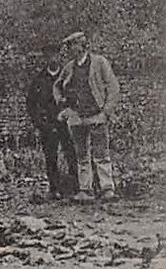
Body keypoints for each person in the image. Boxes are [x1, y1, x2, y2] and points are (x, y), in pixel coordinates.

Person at [55, 31, 121, 203]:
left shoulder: (99, 62)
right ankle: (86, 190)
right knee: (82, 156)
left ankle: (107, 189)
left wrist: (107, 111)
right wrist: (64, 105)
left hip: (97, 115)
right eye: (69, 46)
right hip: (77, 117)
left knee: (101, 154)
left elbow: (113, 87)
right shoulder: (69, 67)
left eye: (73, 45)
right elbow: (58, 87)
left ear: (82, 45)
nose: (70, 49)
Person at [26, 43, 76, 201]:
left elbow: (76, 97)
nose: (52, 58)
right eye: (49, 56)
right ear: (45, 58)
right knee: (50, 156)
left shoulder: (68, 75)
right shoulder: (39, 79)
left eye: (55, 55)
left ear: (59, 56)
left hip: (67, 122)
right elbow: (31, 104)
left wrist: (73, 115)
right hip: (48, 124)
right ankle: (54, 189)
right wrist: (40, 123)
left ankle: (76, 188)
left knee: (72, 154)